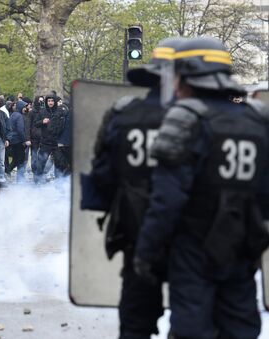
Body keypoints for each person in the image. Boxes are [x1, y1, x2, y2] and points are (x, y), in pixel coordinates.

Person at [134, 37, 269, 339]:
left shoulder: (186, 119)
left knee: (192, 329)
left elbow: (167, 200)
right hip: (241, 248)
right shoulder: (258, 120)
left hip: (193, 250)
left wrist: (147, 250)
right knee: (240, 327)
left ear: (186, 75)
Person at [81, 38, 183, 339]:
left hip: (135, 233)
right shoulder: (197, 120)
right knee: (192, 317)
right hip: (189, 238)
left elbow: (101, 175)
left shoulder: (124, 117)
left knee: (136, 321)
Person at [6, 100, 28, 182]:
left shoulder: (13, 115)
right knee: (21, 160)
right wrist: (24, 141)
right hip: (18, 141)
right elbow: (20, 130)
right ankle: (20, 179)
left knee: (15, 160)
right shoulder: (19, 116)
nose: (25, 109)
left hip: (13, 140)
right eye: (24, 107)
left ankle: (7, 171)